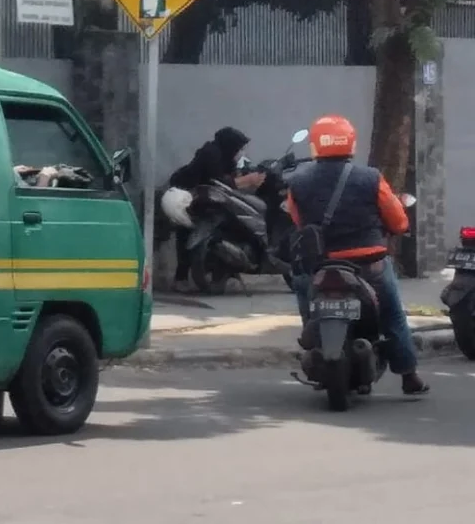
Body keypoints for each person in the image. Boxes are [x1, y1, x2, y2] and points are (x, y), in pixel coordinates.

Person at [285, 115, 428, 395]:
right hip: (368, 265)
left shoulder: (298, 181)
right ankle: (409, 376)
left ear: (315, 145)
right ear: (350, 143)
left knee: (305, 292)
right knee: (392, 315)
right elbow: (398, 221)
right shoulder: (370, 178)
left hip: (321, 265)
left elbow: (298, 222)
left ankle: (312, 338)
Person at [166, 127, 266, 292]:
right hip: (185, 196)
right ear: (230, 145)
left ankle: (206, 275)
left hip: (203, 198)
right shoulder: (211, 154)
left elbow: (226, 179)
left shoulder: (223, 155)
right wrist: (248, 180)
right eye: (239, 148)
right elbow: (220, 182)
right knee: (186, 233)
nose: (240, 152)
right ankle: (180, 278)